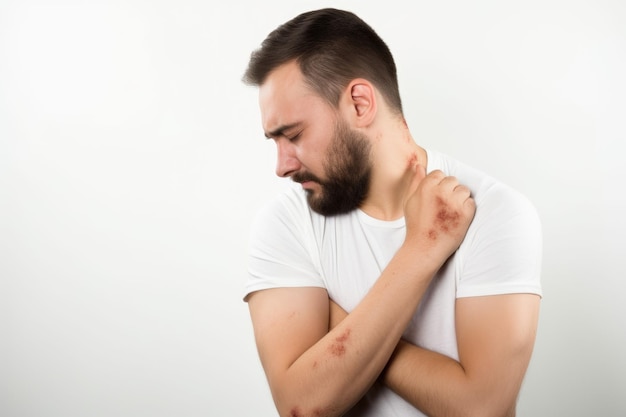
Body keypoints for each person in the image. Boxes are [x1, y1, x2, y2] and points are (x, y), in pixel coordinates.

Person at [241, 8, 542, 417]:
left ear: (360, 103)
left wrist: (343, 325)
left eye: (293, 135)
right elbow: (301, 404)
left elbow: (482, 409)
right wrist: (423, 248)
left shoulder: (496, 214)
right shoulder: (284, 224)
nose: (281, 166)